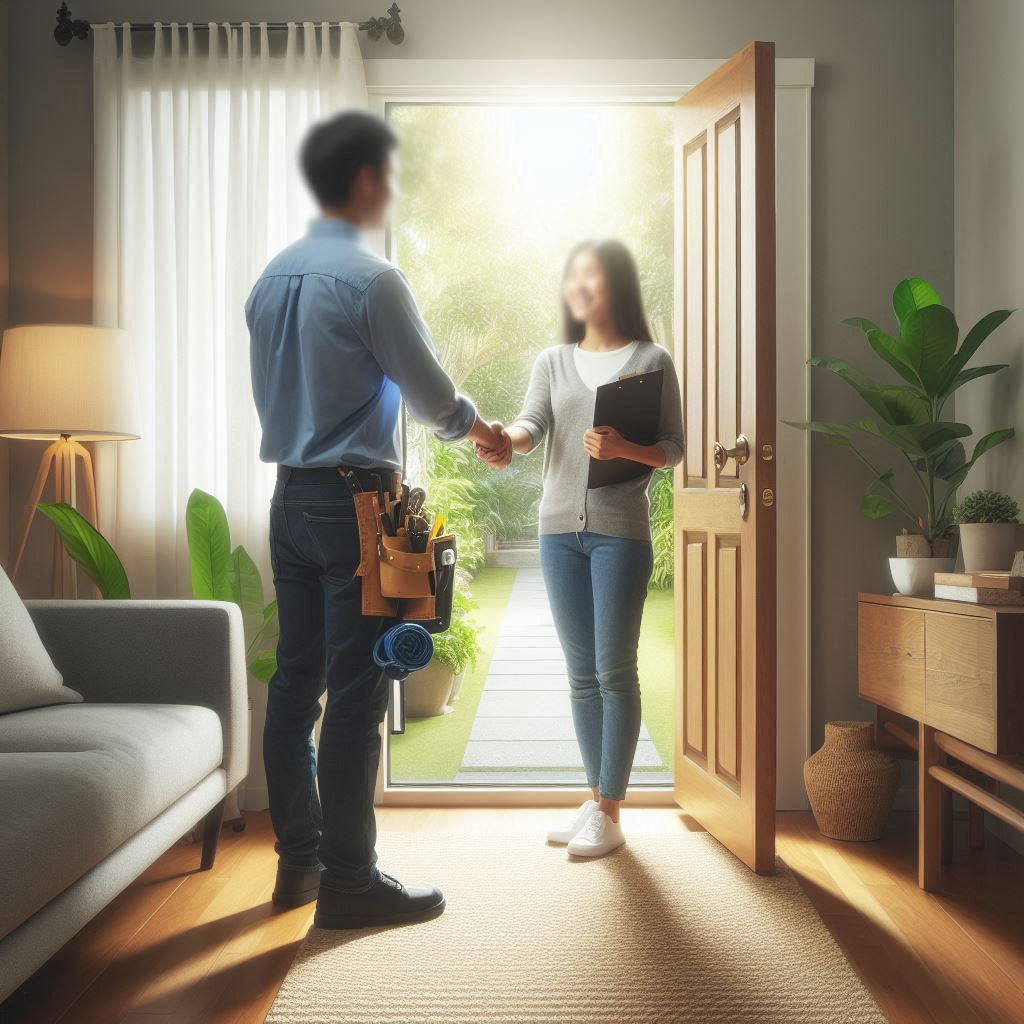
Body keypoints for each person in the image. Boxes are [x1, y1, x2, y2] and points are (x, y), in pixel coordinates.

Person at [246, 111, 510, 929]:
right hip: (355, 505)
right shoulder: (371, 281)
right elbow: (432, 396)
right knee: (357, 692)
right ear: (363, 181)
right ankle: (350, 884)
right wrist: (483, 433)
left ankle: (300, 863)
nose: (390, 192)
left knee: (295, 683)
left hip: (289, 498)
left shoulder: (269, 280)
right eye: (387, 177)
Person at [477, 239, 683, 857]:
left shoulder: (652, 359)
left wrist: (627, 450)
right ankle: (597, 800)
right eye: (573, 275)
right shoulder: (553, 360)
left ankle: (611, 812)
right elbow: (532, 424)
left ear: (616, 282)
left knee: (614, 669)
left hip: (621, 531)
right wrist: (504, 440)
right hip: (556, 532)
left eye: (591, 273)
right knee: (579, 674)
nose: (580, 284)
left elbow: (673, 448)